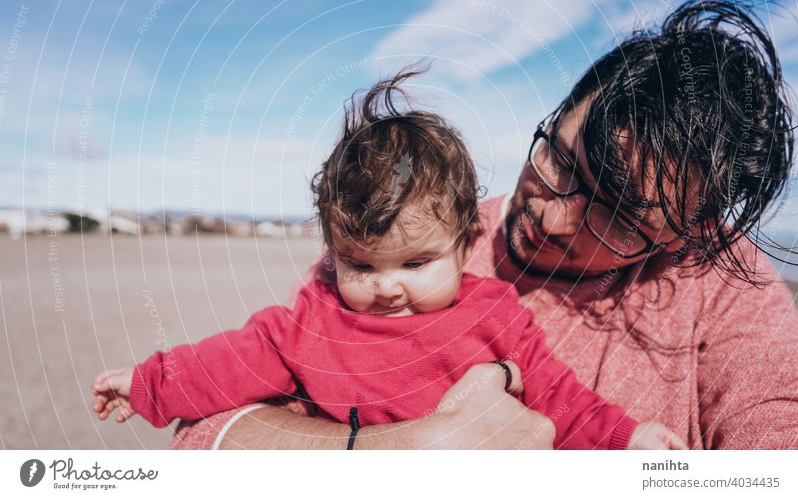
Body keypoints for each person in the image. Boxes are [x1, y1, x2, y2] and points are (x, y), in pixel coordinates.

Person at [173, 0, 798, 450]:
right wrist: (392, 454)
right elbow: (202, 439)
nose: (552, 216)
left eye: (615, 217)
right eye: (559, 157)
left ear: (688, 237)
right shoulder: (415, 241)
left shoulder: (729, 299)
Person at [91, 72, 687, 450]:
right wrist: (147, 383)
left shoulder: (496, 315)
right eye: (362, 266)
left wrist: (627, 438)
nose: (387, 288)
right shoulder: (312, 319)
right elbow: (224, 364)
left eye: (415, 263)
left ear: (464, 243)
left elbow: (561, 397)